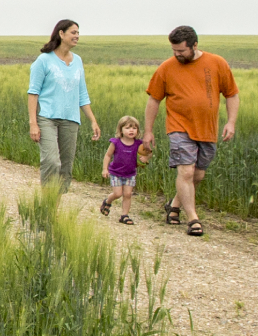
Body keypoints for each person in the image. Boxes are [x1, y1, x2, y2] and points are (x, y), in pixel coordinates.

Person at [144, 25, 239, 236]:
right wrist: (148, 131)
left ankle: (174, 205)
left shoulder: (217, 63)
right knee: (186, 171)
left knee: (198, 174)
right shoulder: (166, 68)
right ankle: (193, 219)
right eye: (174, 51)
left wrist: (231, 122)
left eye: (181, 51)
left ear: (194, 45)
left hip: (207, 129)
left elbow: (231, 94)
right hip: (179, 127)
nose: (176, 55)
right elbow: (154, 100)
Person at [28, 19, 101, 191]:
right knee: (52, 161)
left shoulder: (78, 61)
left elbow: (82, 94)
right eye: (73, 32)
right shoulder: (44, 60)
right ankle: (47, 202)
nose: (77, 36)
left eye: (78, 33)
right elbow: (33, 93)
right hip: (47, 119)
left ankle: (54, 207)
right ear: (61, 34)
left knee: (65, 168)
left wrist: (93, 121)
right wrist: (33, 123)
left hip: (71, 120)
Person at [99, 116, 150, 225]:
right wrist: (105, 169)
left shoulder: (138, 144)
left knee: (127, 194)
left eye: (134, 128)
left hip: (130, 173)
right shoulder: (116, 142)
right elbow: (108, 155)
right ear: (120, 130)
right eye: (127, 128)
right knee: (117, 194)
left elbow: (148, 153)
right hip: (116, 173)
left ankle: (124, 215)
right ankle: (107, 201)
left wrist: (146, 158)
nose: (131, 130)